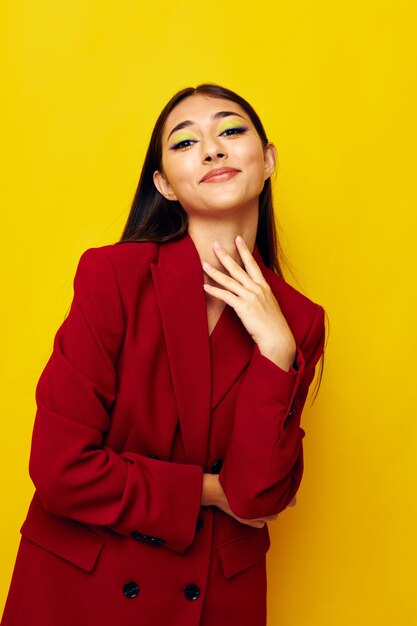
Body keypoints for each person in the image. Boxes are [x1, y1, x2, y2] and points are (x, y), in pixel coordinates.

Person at [1, 82, 327, 626]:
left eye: (231, 130)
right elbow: (60, 469)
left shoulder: (297, 320)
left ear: (267, 160)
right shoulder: (114, 278)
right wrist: (207, 491)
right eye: (184, 142)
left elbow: (257, 495)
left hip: (214, 602)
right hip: (82, 592)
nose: (213, 149)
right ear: (164, 185)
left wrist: (275, 349)